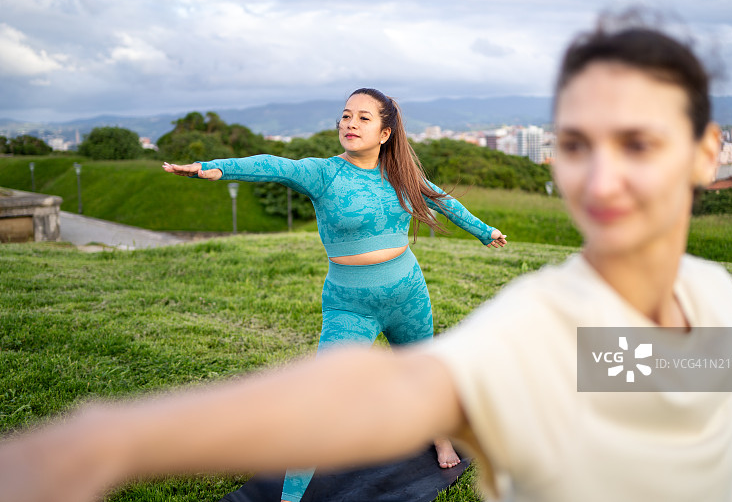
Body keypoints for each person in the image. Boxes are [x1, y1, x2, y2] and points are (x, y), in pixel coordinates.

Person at [0, 17, 732, 502]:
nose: (603, 175)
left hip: (411, 290)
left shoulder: (701, 302)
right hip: (354, 299)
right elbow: (380, 397)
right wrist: (104, 443)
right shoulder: (541, 326)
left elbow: (711, 360)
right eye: (576, 144)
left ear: (706, 153)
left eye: (638, 141)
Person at [162, 87, 507, 502]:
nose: (350, 124)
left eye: (363, 118)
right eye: (346, 116)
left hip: (407, 292)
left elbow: (445, 202)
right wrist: (213, 168)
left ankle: (439, 437)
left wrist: (485, 232)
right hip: (350, 304)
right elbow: (274, 166)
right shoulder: (324, 173)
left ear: (385, 133)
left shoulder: (401, 174)